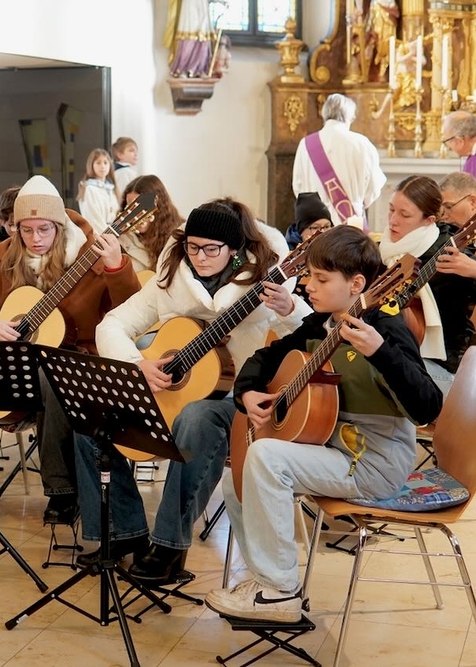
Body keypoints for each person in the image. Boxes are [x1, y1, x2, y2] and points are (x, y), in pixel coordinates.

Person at [206, 225, 443, 622]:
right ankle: (266, 580)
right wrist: (246, 392)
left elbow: (428, 407)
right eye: (309, 276)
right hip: (331, 451)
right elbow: (266, 357)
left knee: (265, 457)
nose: (307, 286)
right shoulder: (322, 323)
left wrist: (381, 353)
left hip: (374, 462)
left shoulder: (387, 329)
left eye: (320, 278)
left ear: (357, 285)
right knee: (239, 475)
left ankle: (280, 592)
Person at [73, 199, 312, 578]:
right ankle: (123, 532)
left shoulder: (263, 280)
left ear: (234, 250)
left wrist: (289, 309)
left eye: (211, 249)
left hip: (237, 399)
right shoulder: (172, 280)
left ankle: (169, 546)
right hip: (172, 395)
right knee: (90, 419)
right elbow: (112, 324)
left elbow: (313, 337)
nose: (199, 257)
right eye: (193, 247)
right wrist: (138, 365)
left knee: (197, 418)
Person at [0, 174, 141, 525]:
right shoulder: (6, 254)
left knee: (50, 373)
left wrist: (117, 267)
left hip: (77, 368)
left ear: (59, 226)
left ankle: (62, 491)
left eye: (44, 230)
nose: (35, 239)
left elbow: (133, 310)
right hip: (14, 368)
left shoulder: (90, 253)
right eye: (26, 230)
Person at [381, 175, 476, 397]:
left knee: (376, 370)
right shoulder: (384, 251)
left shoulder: (454, 253)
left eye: (404, 214)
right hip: (398, 354)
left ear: (429, 220)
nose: (393, 220)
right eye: (391, 210)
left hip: (443, 366)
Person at [292, 93, 387, 228]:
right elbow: (374, 186)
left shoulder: (306, 144)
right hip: (351, 220)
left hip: (316, 224)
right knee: (352, 242)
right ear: (350, 116)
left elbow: (298, 187)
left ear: (324, 114)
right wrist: (356, 202)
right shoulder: (362, 143)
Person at [118, 175, 185, 274]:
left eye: (140, 206)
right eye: (130, 207)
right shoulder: (122, 239)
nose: (135, 214)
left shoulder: (181, 235)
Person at [76, 148, 120, 234]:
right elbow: (93, 218)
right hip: (99, 235)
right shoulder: (89, 188)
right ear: (91, 165)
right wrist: (108, 234)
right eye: (98, 163)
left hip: (114, 233)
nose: (102, 166)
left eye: (105, 163)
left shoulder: (111, 188)